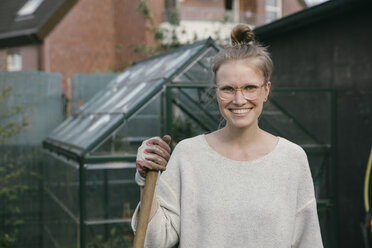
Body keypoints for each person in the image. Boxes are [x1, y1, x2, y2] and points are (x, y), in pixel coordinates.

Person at [131, 24, 323, 248]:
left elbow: (308, 242)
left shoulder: (292, 159)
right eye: (228, 89)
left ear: (266, 90)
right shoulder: (188, 155)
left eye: (250, 87)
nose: (239, 100)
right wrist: (146, 180)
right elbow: (155, 240)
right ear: (216, 91)